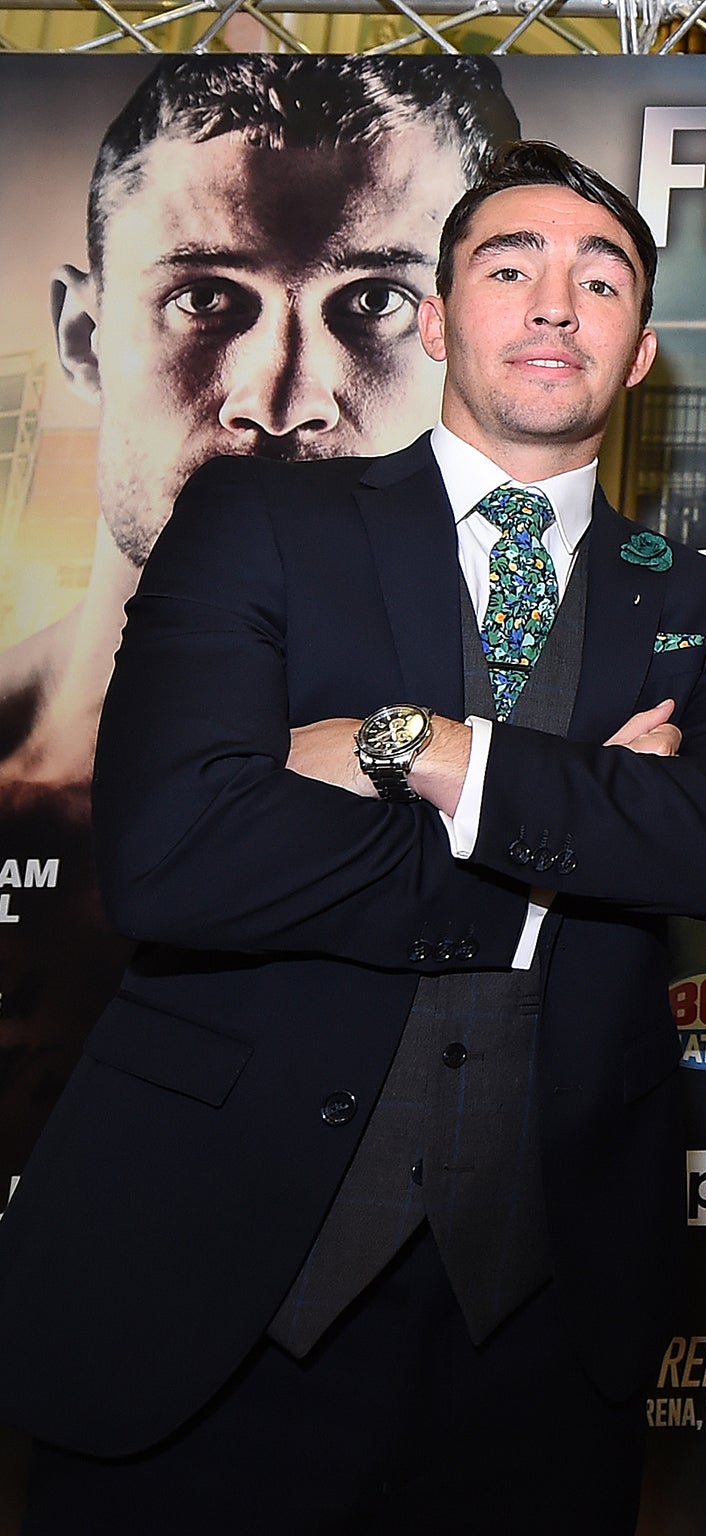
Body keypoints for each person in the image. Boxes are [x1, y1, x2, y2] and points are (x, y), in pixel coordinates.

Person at [0, 142, 706, 1532]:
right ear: (438, 320)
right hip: (218, 1290)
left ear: (642, 350)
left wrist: (411, 745)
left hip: (544, 1331)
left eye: (599, 281)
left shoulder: (699, 598)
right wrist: (570, 844)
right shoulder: (260, 517)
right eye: (511, 268)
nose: (556, 304)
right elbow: (177, 850)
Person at [0, 55, 519, 1197]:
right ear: (85, 339)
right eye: (205, 298)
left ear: (461, 341)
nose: (280, 396)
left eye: (375, 301)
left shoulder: (548, 731)